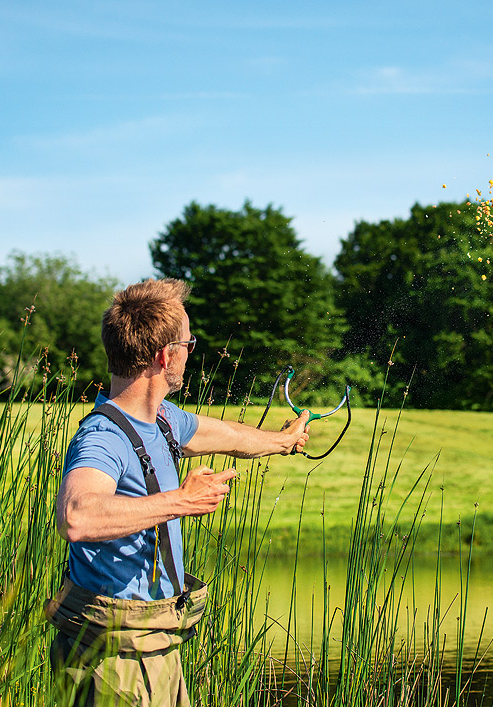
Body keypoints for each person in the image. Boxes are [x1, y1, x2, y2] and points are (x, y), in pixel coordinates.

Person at [46, 278, 309, 706]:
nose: (191, 351)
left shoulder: (163, 420)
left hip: (155, 642)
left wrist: (282, 440)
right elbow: (78, 516)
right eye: (188, 343)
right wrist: (181, 502)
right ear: (165, 355)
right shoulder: (104, 436)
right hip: (111, 656)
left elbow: (228, 436)